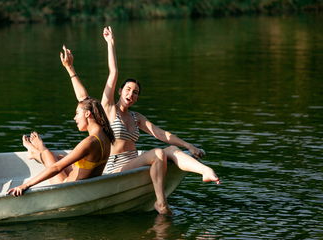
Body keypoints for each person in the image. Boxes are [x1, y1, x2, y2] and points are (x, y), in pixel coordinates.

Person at [67, 26, 221, 215]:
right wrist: (110, 44)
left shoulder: (136, 117)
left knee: (171, 150)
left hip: (134, 164)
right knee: (157, 153)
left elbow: (161, 134)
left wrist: (189, 146)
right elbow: (113, 73)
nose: (131, 94)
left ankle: (205, 171)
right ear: (120, 91)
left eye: (135, 93)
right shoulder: (108, 109)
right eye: (128, 90)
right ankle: (161, 203)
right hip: (116, 168)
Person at [7, 47, 115, 197]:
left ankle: (37, 151)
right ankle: (36, 153)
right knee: (60, 158)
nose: (74, 118)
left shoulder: (90, 142)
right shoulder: (105, 133)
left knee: (48, 155)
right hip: (85, 185)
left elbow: (56, 169)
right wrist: (70, 68)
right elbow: (85, 99)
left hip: (66, 187)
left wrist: (26, 184)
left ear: (88, 114)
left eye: (77, 114)